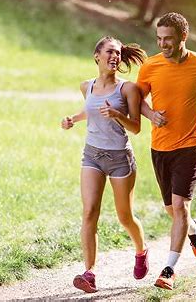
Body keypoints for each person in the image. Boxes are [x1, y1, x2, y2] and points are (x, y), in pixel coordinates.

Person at [136, 12, 196, 290]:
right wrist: (151, 114)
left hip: (191, 145)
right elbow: (137, 100)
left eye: (169, 39)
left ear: (183, 37)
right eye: (159, 39)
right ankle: (195, 230)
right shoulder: (150, 67)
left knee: (179, 206)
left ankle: (169, 270)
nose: (163, 44)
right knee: (172, 211)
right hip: (160, 146)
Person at [61, 36, 149, 293]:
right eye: (110, 52)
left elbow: (136, 128)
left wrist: (118, 115)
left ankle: (141, 250)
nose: (115, 57)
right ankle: (89, 273)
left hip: (120, 158)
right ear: (97, 55)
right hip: (92, 155)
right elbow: (92, 109)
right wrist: (73, 119)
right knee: (89, 212)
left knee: (125, 217)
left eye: (119, 53)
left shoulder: (127, 89)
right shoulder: (86, 86)